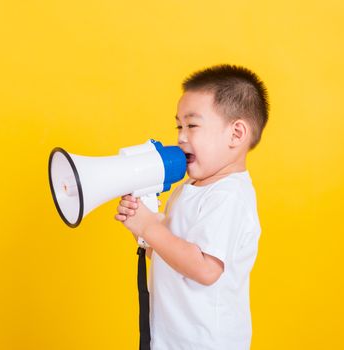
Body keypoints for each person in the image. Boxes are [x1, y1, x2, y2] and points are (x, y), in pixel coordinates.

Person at [115, 64, 269, 350]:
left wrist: (149, 225)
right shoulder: (187, 190)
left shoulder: (229, 196)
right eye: (179, 126)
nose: (181, 137)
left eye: (192, 125)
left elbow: (205, 269)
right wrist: (143, 231)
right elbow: (172, 256)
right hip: (172, 339)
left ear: (236, 134)